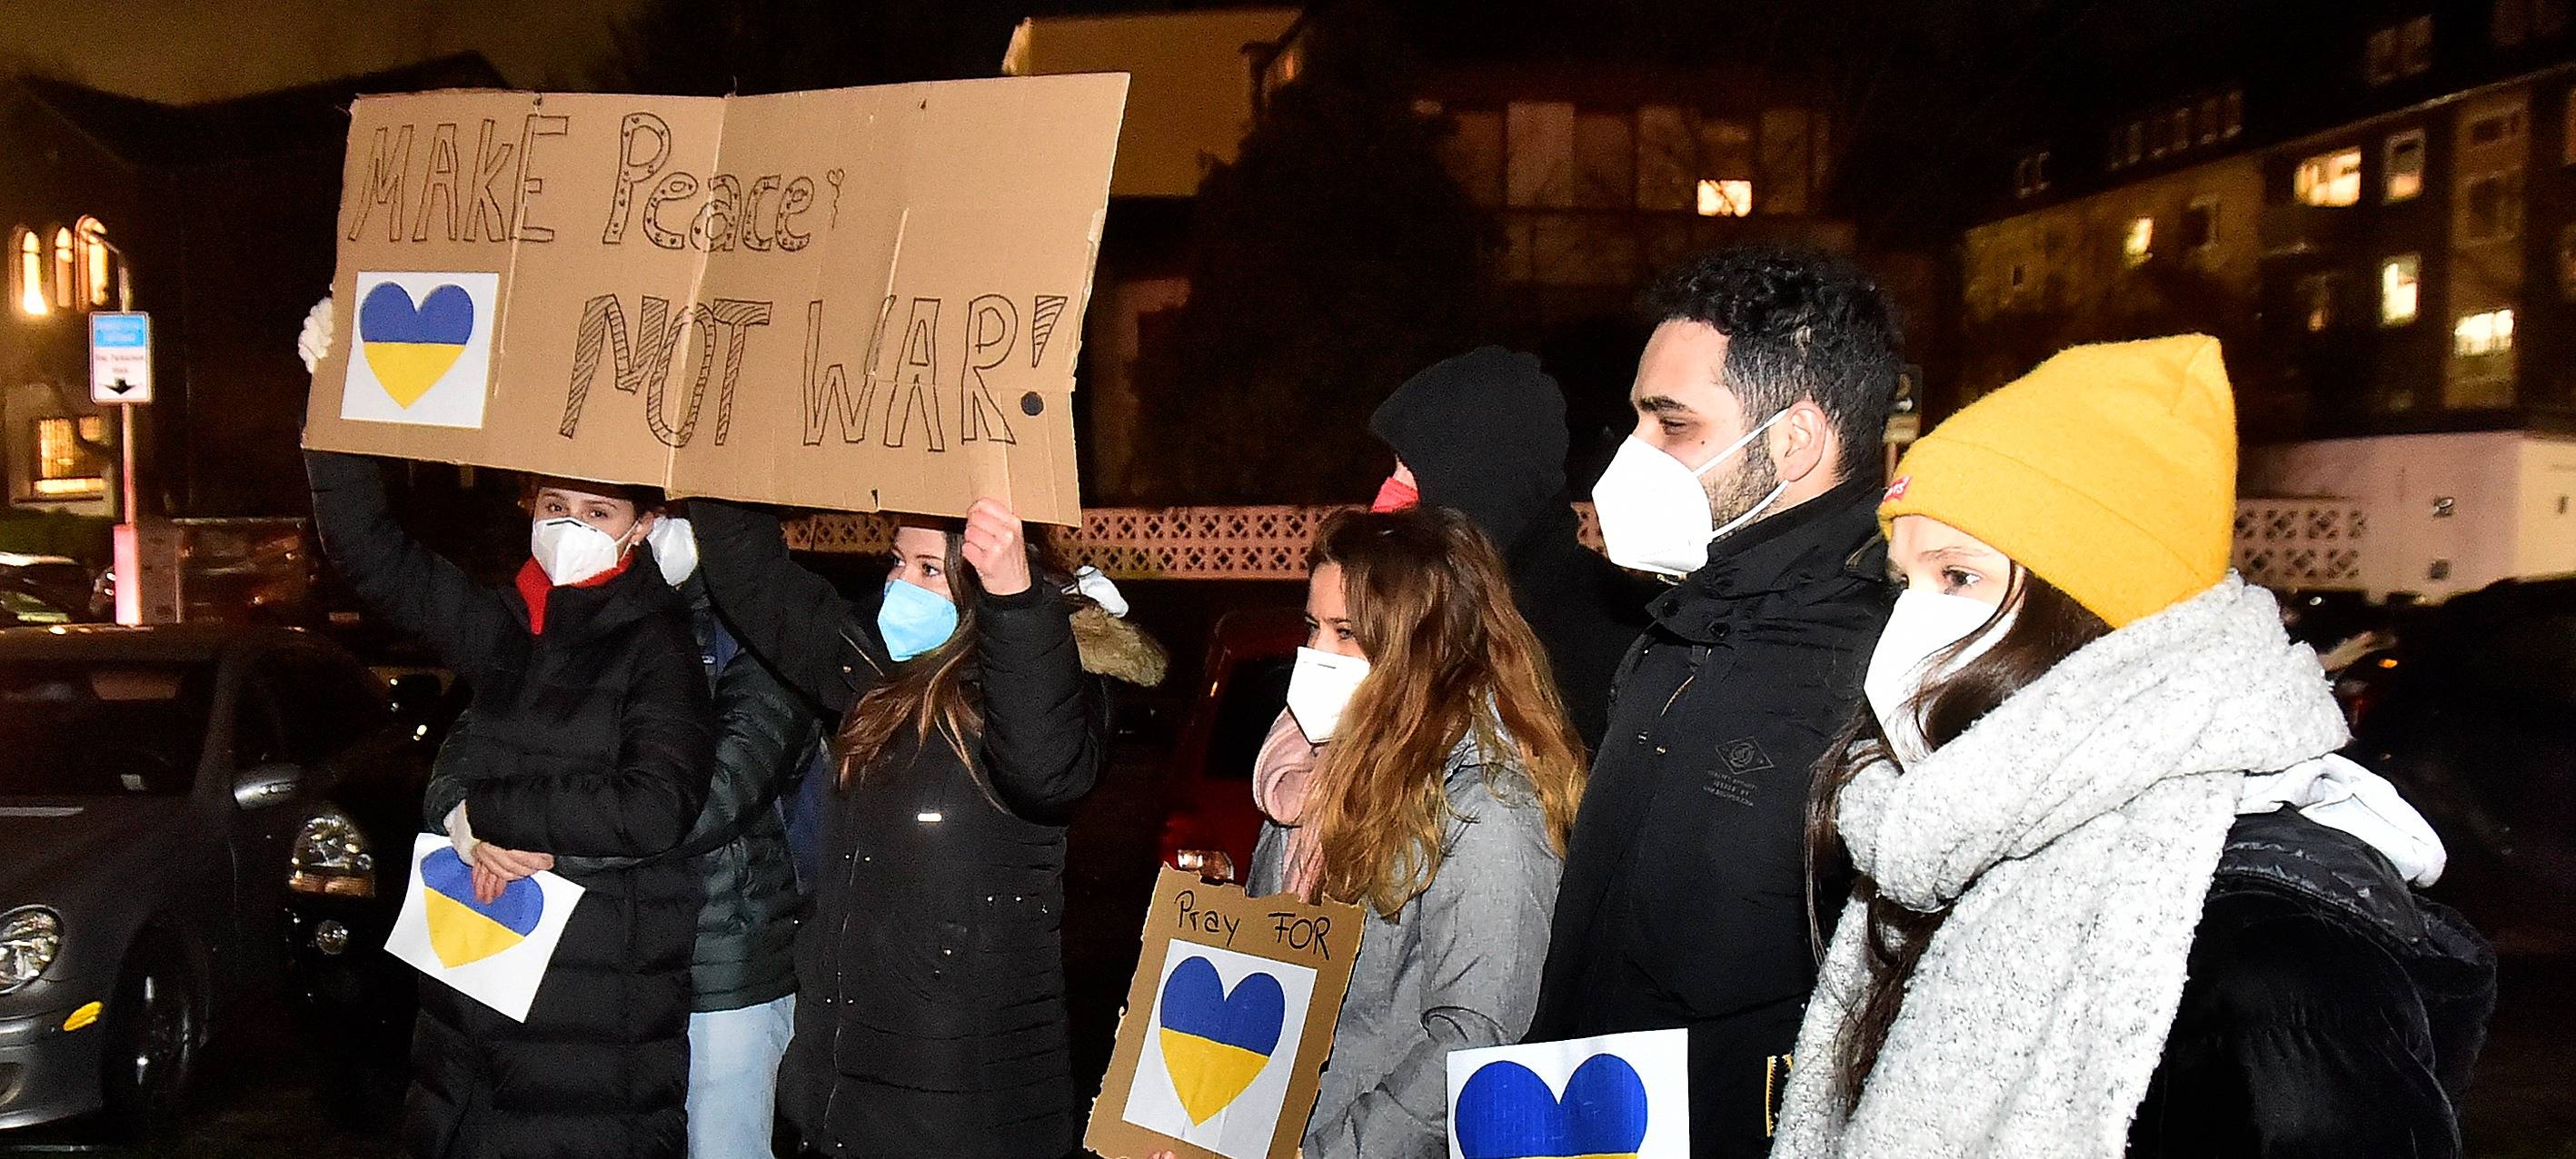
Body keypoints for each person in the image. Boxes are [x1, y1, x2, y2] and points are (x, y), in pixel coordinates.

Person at [1773, 335, 2495, 1157]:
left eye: (1958, 576)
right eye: (1903, 582)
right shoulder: (1937, 838)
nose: (1910, 620)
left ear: (2090, 612)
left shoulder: (2272, 956)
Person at [1526, 245, 1905, 1156]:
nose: (1633, 454)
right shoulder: (1674, 629)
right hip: (1574, 1120)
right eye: (1636, 419)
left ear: (1794, 440)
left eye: (1673, 424)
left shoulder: (1883, 673)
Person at [689, 496, 1165, 1158]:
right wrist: (715, 470)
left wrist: (1015, 603)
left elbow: (1045, 771)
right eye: (897, 562)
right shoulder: (876, 672)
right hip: (841, 1103)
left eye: (929, 569)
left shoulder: (1047, 681)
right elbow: (757, 581)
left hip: (964, 1115)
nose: (900, 585)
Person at [304, 451, 713, 1159]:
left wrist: (490, 815)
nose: (570, 526)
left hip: (590, 996)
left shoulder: (658, 640)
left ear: (644, 526)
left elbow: (655, 805)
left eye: (597, 512)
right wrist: (332, 431)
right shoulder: (507, 625)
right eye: (555, 506)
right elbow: (378, 559)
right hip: (473, 974)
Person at [423, 510, 817, 1159]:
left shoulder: (768, 621)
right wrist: (465, 823)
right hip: (578, 960)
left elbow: (704, 800)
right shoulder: (570, 606)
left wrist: (527, 842)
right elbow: (470, 746)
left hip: (715, 963)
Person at [1233, 507, 1586, 1159]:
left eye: (1347, 633)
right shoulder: (1305, 773)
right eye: (1312, 627)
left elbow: (1474, 1043)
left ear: (1424, 648)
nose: (1317, 654)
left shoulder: (1487, 806)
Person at [1366, 347, 1655, 748]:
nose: (1392, 490)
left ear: (1480, 475)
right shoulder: (1431, 608)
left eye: (1411, 467)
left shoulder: (1622, 638)